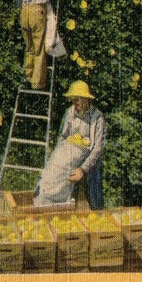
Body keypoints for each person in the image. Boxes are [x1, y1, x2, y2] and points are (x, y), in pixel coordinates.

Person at [33, 81, 106, 209]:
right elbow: (63, 137)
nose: (74, 103)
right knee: (52, 175)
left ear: (86, 99)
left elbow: (97, 149)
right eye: (72, 100)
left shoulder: (97, 117)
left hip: (88, 159)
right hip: (69, 155)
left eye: (77, 100)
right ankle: (51, 205)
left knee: (93, 186)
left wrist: (82, 169)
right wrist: (56, 157)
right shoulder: (70, 112)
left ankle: (97, 212)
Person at [13, 0, 61, 90]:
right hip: (36, 11)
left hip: (24, 11)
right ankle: (37, 81)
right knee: (39, 47)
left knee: (29, 46)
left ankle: (28, 74)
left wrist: (23, 5)